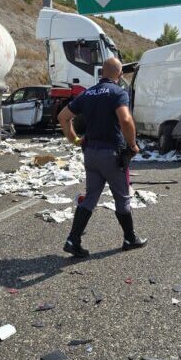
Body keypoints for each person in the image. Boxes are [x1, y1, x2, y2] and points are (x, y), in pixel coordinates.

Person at [58, 57, 147, 257]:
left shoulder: (87, 93)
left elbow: (63, 117)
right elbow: (125, 119)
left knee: (90, 197)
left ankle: (73, 240)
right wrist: (132, 144)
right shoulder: (118, 92)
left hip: (90, 153)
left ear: (101, 73)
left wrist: (75, 140)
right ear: (120, 74)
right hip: (111, 154)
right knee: (122, 197)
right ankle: (130, 238)